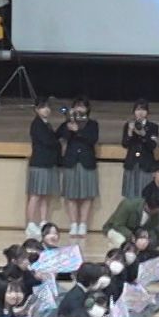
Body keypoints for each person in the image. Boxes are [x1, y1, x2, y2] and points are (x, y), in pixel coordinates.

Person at [57, 98, 101, 238]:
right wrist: (69, 126)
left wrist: (78, 132)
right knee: (71, 195)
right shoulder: (68, 123)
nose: (79, 109)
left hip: (86, 162)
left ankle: (83, 224)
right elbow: (60, 136)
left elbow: (92, 139)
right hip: (71, 162)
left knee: (87, 196)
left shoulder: (92, 124)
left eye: (82, 106)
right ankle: (73, 224)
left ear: (87, 109)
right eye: (77, 106)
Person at [25, 96, 61, 240]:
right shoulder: (36, 124)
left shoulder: (47, 124)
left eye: (47, 107)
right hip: (39, 163)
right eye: (42, 107)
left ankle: (43, 221)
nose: (46, 110)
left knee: (45, 195)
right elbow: (47, 141)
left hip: (48, 163)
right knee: (35, 195)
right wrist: (56, 142)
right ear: (36, 109)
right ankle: (30, 223)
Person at [120, 100, 159, 200]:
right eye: (138, 109)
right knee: (130, 197)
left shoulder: (153, 127)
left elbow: (153, 145)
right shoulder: (128, 125)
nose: (140, 112)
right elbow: (125, 144)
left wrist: (144, 134)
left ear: (147, 112)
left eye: (143, 109)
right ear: (134, 112)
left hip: (146, 165)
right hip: (131, 164)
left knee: (146, 196)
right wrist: (130, 132)